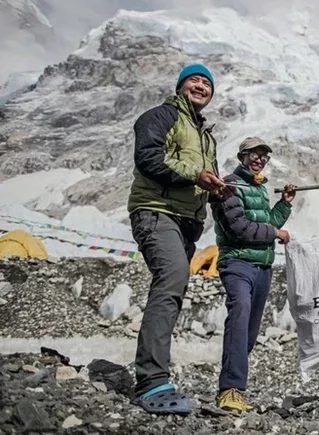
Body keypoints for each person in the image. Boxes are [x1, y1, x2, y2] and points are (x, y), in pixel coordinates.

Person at [127, 63, 226, 414]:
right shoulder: (162, 115)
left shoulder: (205, 135)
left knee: (172, 287)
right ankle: (152, 382)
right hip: (156, 211)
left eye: (206, 83)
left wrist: (217, 190)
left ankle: (154, 374)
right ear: (180, 86)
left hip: (186, 222)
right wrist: (197, 175)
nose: (200, 86)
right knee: (172, 279)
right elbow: (149, 159)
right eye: (194, 80)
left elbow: (201, 178)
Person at [211, 136, 296, 414]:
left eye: (263, 156)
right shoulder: (230, 186)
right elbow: (240, 227)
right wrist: (275, 233)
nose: (259, 159)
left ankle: (232, 384)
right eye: (253, 154)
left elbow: (266, 223)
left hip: (262, 266)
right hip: (237, 263)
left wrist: (283, 204)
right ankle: (231, 389)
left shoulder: (258, 189)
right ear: (241, 157)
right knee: (239, 316)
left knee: (249, 331)